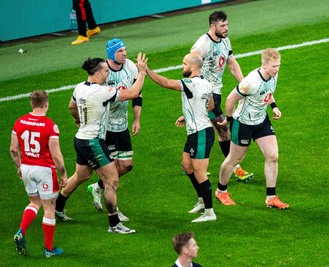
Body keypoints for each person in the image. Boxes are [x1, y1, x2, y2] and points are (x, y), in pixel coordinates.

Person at [55, 53, 147, 234]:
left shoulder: (80, 87)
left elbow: (72, 107)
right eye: (106, 71)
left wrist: (78, 121)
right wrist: (142, 71)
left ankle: (57, 208)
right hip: (93, 142)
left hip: (80, 138)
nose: (108, 75)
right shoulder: (102, 91)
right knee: (111, 180)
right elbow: (133, 93)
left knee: (81, 176)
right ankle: (114, 224)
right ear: (97, 74)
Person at [146, 53, 216, 222]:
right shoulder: (206, 83)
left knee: (200, 172)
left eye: (184, 64)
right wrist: (188, 115)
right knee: (186, 166)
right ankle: (201, 202)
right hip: (197, 131)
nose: (182, 66)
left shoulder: (190, 83)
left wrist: (146, 70)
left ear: (193, 67)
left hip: (200, 133)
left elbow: (166, 83)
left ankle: (209, 212)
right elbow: (211, 105)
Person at [217, 48, 289, 209]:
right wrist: (228, 118)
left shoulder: (273, 75)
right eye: (274, 66)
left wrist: (274, 106)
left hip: (261, 121)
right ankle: (221, 191)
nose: (277, 69)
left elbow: (268, 91)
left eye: (278, 66)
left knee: (273, 156)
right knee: (234, 159)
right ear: (264, 65)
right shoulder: (250, 82)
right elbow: (230, 99)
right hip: (243, 124)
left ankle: (271, 197)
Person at [190, 11, 254, 196]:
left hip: (215, 93)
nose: (226, 28)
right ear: (212, 26)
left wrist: (244, 86)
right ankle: (235, 168)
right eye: (222, 26)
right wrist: (197, 88)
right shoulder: (203, 44)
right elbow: (188, 63)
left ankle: (194, 165)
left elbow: (232, 64)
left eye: (227, 25)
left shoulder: (225, 41)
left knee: (205, 129)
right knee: (222, 129)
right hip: (205, 94)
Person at [87, 38, 143, 222]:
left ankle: (97, 187)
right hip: (106, 128)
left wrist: (136, 118)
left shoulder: (131, 67)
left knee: (126, 165)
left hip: (122, 125)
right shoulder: (103, 72)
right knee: (112, 175)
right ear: (111, 54)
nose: (125, 54)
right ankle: (114, 210)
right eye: (120, 51)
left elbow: (137, 93)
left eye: (125, 50)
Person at [10, 90, 68, 258]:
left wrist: (19, 167)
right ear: (46, 104)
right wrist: (63, 174)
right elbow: (56, 155)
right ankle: (48, 250)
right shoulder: (50, 126)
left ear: (31, 104)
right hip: (44, 170)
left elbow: (13, 150)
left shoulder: (19, 122)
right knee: (49, 207)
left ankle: (22, 231)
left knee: (34, 202)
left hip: (27, 167)